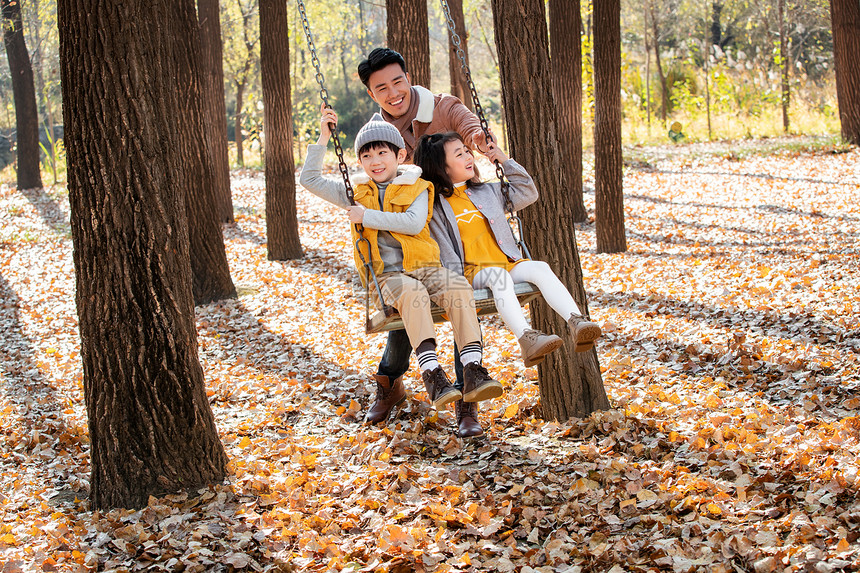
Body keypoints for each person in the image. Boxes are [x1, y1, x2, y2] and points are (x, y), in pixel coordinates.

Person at [298, 108, 503, 425]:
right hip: (388, 277)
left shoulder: (418, 187)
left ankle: (474, 370)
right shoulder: (357, 193)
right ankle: (433, 375)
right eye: (367, 156)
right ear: (361, 162)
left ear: (400, 154)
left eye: (382, 152)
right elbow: (309, 179)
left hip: (426, 266)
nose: (375, 161)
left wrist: (366, 217)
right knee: (413, 293)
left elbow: (413, 222)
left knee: (458, 287)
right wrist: (324, 136)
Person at [357, 47, 494, 437]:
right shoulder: (377, 134)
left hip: (453, 226)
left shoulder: (441, 107)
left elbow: (467, 125)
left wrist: (478, 138)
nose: (392, 92)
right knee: (405, 316)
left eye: (397, 81)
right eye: (380, 87)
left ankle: (468, 402)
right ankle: (390, 385)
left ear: (407, 76)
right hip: (407, 235)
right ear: (372, 93)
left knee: (457, 298)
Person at [413, 131, 603, 365]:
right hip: (472, 273)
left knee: (540, 268)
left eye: (466, 150)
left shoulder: (486, 191)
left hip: (507, 261)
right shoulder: (436, 206)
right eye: (459, 154)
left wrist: (503, 159)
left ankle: (577, 322)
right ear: (442, 167)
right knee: (499, 277)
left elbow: (527, 193)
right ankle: (526, 338)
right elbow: (439, 246)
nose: (468, 156)